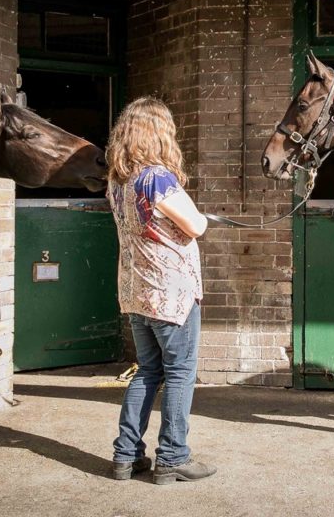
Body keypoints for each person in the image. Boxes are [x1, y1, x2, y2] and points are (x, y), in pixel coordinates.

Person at [105, 97, 215, 484]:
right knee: (180, 373)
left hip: (136, 292)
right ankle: (172, 457)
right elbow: (197, 225)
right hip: (171, 295)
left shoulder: (118, 181)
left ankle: (125, 455)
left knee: (148, 372)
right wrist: (199, 216)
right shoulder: (158, 178)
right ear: (158, 134)